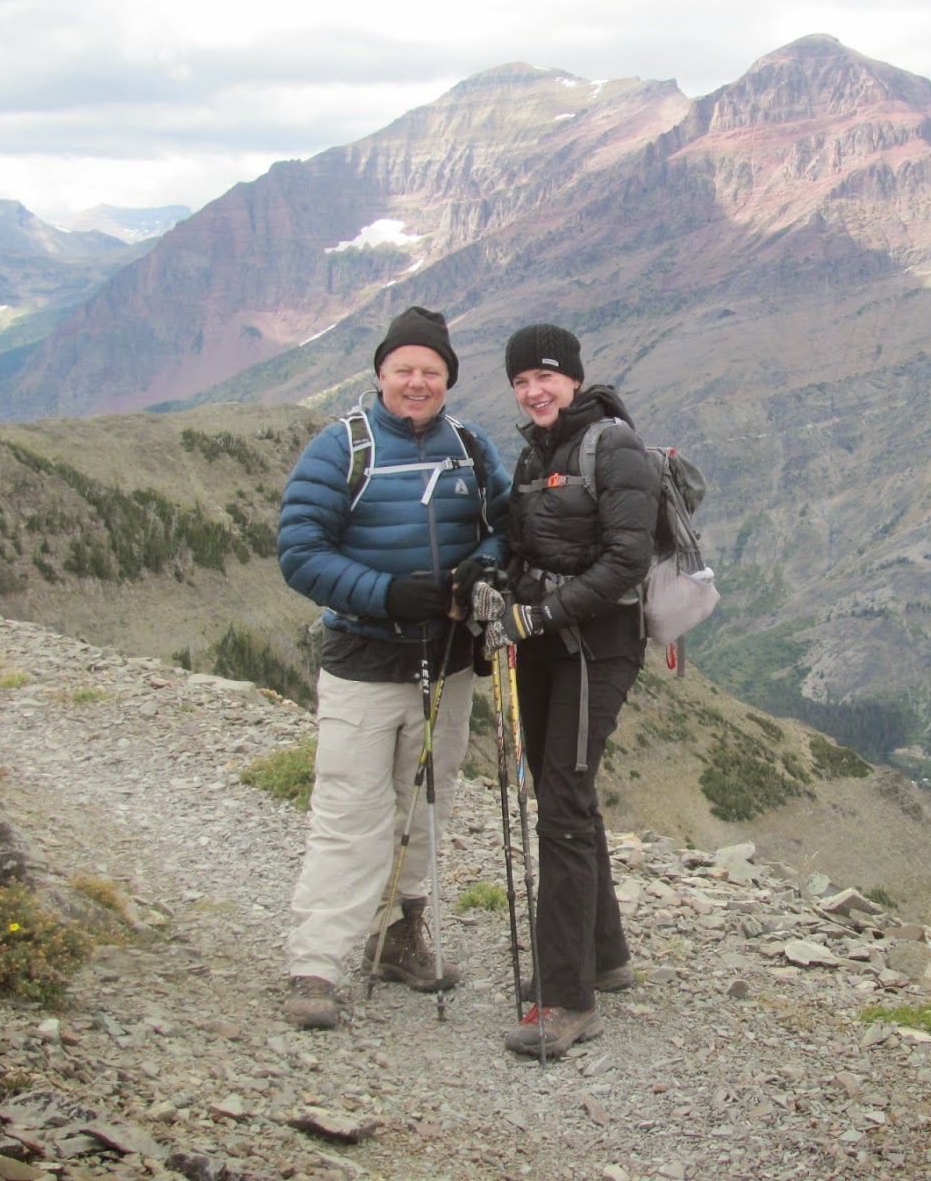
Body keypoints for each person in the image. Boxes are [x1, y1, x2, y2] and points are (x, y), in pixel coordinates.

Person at [276, 305, 510, 1030]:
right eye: (404, 368)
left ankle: (400, 937)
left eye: (431, 371)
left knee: (427, 804)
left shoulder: (470, 448)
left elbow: (508, 528)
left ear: (448, 380)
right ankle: (316, 965)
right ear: (380, 373)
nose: (417, 382)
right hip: (364, 660)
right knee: (350, 810)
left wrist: (485, 565)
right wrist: (384, 594)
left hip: (448, 664)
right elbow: (300, 551)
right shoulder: (340, 448)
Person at [495, 323, 659, 1057]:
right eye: (521, 381)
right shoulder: (536, 450)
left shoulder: (612, 446)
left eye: (545, 377)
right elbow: (522, 545)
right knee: (564, 792)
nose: (534, 391)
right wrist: (499, 586)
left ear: (573, 378)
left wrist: (542, 613)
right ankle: (607, 956)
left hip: (598, 646)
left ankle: (567, 999)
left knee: (562, 801)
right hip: (542, 645)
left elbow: (627, 558)